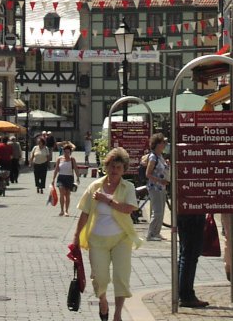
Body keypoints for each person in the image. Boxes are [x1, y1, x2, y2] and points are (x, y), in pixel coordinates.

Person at [71, 147, 140, 321]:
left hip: (121, 239)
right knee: (99, 277)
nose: (114, 170)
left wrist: (107, 200)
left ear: (124, 170)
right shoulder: (95, 186)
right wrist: (76, 236)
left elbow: (129, 209)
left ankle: (117, 314)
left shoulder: (128, 187)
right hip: (97, 239)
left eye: (118, 167)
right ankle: (102, 300)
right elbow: (85, 213)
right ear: (106, 167)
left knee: (121, 277)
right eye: (111, 166)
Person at [177, 213, 209, 308]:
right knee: (189, 255)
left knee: (185, 255)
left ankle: (182, 293)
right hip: (193, 214)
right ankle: (186, 296)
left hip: (184, 212)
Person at [145, 133, 169, 241]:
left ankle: (157, 232)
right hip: (155, 187)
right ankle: (151, 234)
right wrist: (160, 181)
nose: (165, 144)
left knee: (161, 210)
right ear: (158, 144)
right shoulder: (153, 157)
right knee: (157, 211)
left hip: (161, 187)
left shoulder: (160, 156)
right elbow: (148, 174)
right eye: (163, 142)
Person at [52, 143, 80, 217]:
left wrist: (78, 177)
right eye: (65, 152)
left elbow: (76, 169)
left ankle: (66, 211)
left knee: (67, 195)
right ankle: (61, 210)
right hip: (61, 178)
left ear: (70, 152)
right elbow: (56, 169)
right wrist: (53, 179)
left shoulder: (72, 159)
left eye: (68, 152)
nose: (67, 154)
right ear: (63, 152)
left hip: (69, 178)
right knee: (62, 193)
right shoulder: (59, 159)